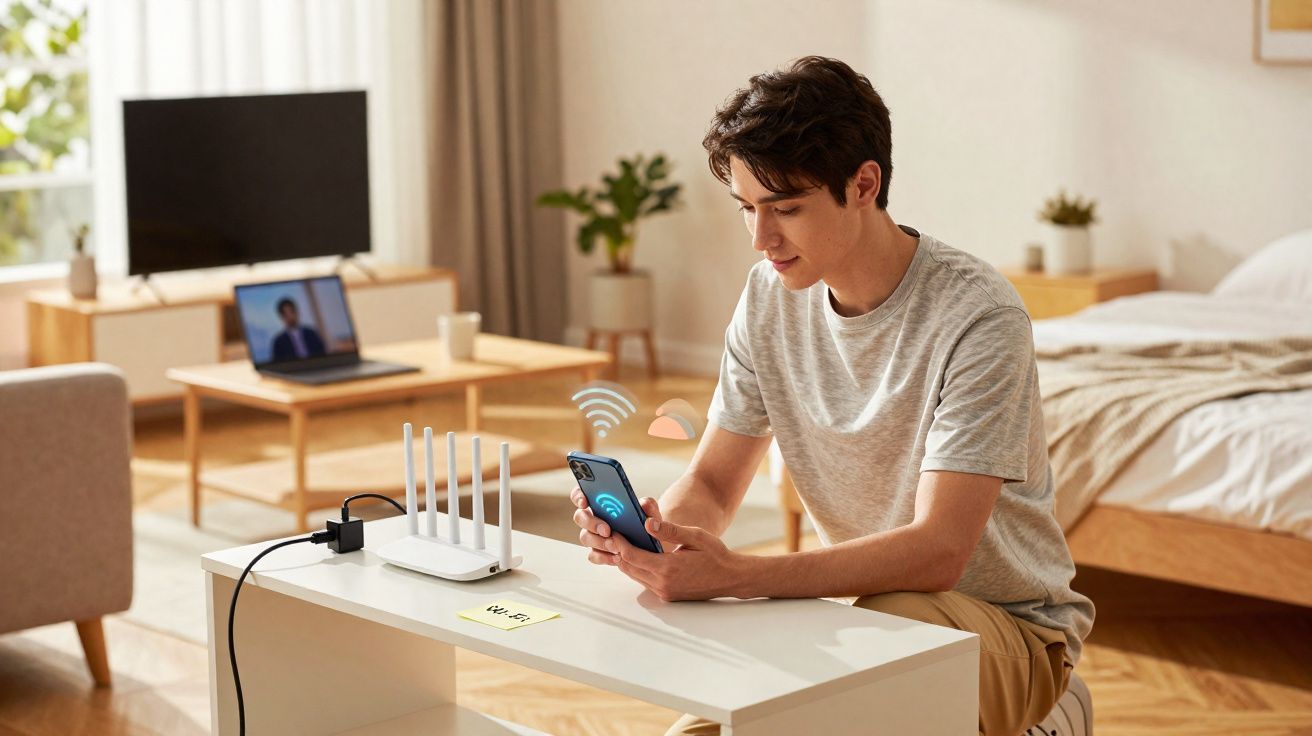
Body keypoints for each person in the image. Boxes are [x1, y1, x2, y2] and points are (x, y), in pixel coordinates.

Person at [570, 56, 1094, 736]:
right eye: (748, 209)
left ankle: (1052, 715)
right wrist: (660, 539)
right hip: (853, 615)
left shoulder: (978, 316)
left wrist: (737, 575)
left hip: (1006, 631)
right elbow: (713, 482)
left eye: (786, 208)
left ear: (864, 184)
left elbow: (940, 551)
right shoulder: (769, 297)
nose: (762, 239)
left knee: (868, 663)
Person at [271, 297, 326, 361]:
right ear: (281, 317)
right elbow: (278, 363)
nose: (290, 317)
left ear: (297, 312)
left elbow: (323, 354)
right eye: (286, 314)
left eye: (292, 312)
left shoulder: (311, 333)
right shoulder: (278, 342)